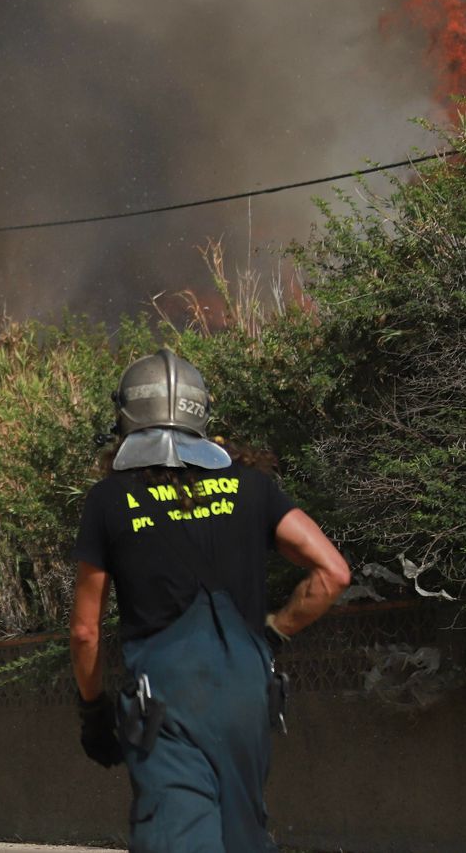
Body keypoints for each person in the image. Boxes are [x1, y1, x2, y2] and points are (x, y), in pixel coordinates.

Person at [68, 350, 350, 853]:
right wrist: (273, 632)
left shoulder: (108, 500)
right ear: (202, 416)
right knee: (244, 837)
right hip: (248, 693)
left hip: (166, 701)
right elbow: (333, 572)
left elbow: (85, 631)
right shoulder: (253, 488)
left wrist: (93, 712)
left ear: (126, 418)